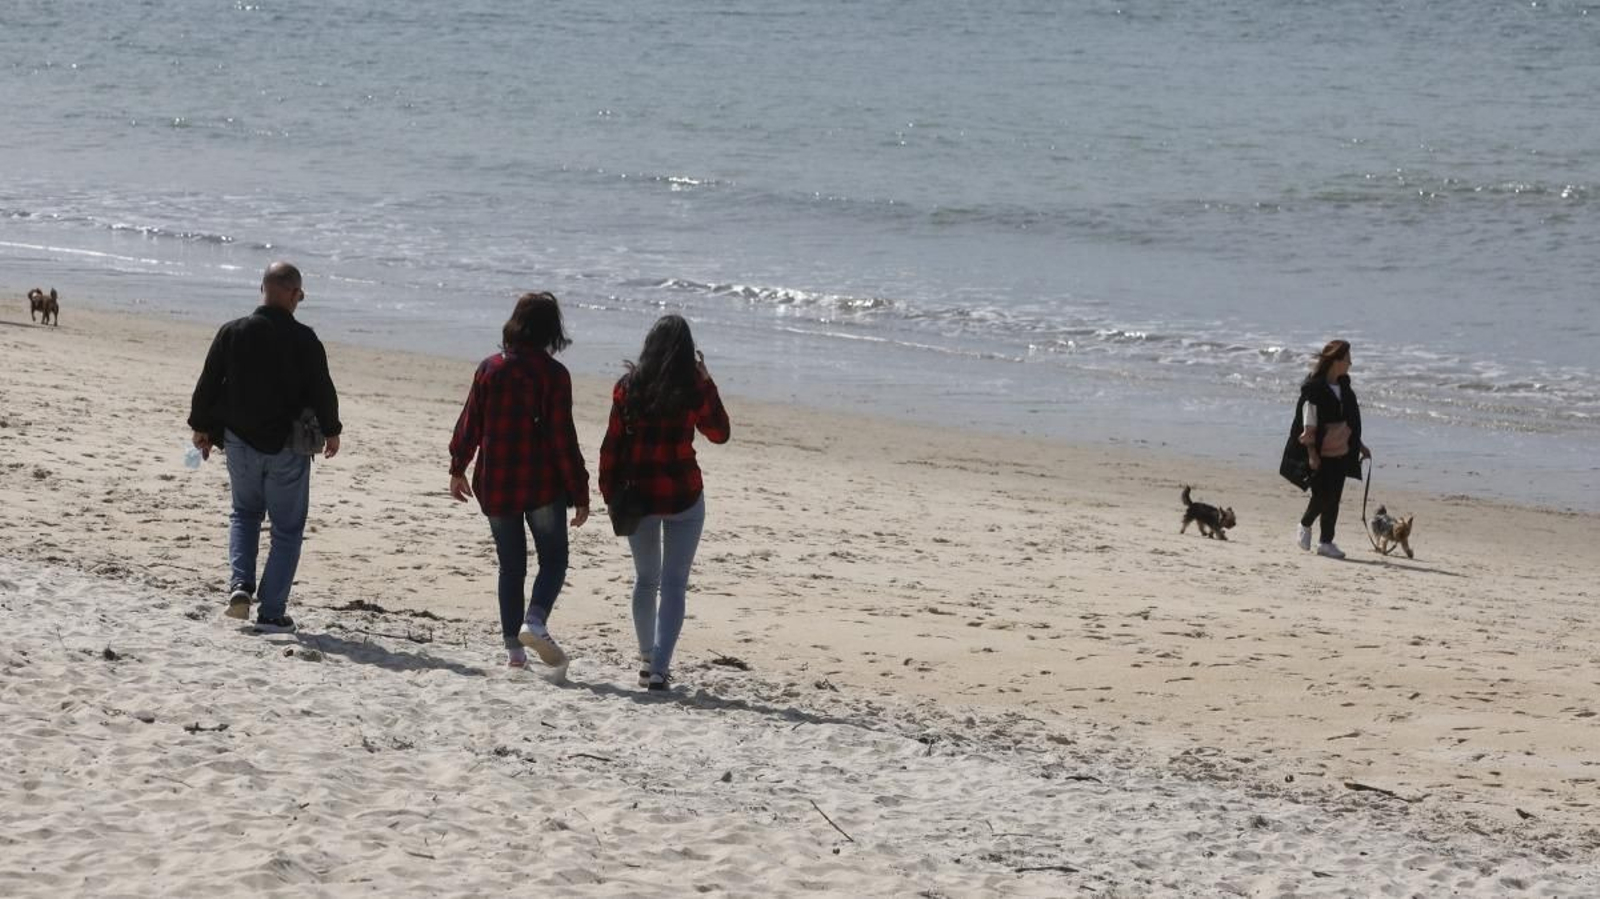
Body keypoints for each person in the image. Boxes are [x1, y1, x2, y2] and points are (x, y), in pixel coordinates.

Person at [188, 262, 342, 632]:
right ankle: (272, 611)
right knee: (286, 530)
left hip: (240, 442)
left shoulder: (233, 331)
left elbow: (208, 383)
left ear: (263, 289)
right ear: (293, 294)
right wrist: (332, 431)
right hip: (287, 446)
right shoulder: (305, 339)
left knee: (244, 514)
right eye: (300, 294)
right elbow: (322, 388)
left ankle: (240, 586)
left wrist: (201, 428)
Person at [449, 292, 590, 670]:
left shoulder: (490, 369)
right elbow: (563, 438)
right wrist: (580, 492)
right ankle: (535, 620)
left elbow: (470, 423)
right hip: (542, 485)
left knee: (511, 567)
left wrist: (458, 467)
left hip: (496, 483)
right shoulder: (555, 376)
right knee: (554, 559)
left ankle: (514, 651)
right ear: (551, 330)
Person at [599, 315, 730, 691]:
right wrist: (707, 382)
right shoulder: (692, 389)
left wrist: (609, 494)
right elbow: (719, 433)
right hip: (683, 494)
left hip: (639, 497)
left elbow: (612, 446)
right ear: (688, 353)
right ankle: (659, 668)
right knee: (673, 585)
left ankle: (646, 658)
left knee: (645, 580)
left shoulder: (628, 387)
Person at [1285, 339, 1371, 559]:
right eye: (1348, 358)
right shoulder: (1314, 389)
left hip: (1341, 453)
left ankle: (1326, 542)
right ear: (1336, 361)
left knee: (1334, 499)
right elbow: (1309, 423)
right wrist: (1312, 453)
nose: (1350, 363)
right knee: (1323, 496)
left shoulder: (1345, 388)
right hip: (1320, 454)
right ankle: (1305, 524)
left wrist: (1360, 445)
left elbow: (1350, 421)